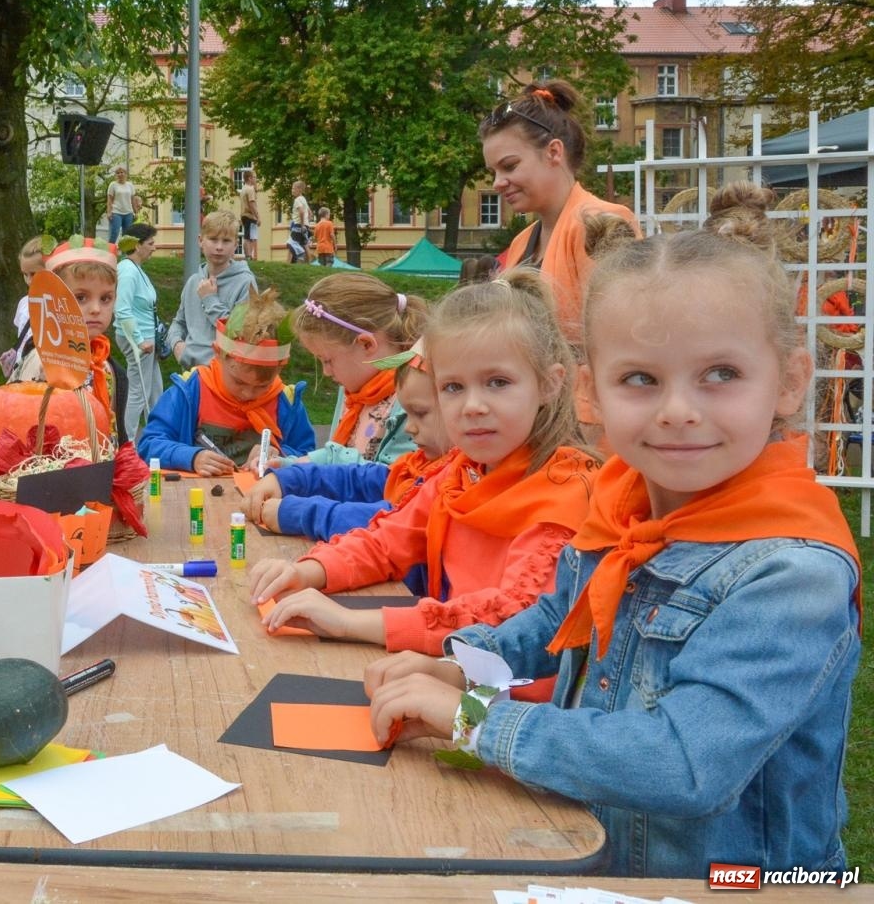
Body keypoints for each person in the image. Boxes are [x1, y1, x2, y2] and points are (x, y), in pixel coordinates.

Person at [365, 187, 861, 877]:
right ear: (592, 395)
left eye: (721, 374)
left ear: (788, 382)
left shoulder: (792, 573)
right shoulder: (621, 504)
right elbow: (556, 622)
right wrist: (459, 664)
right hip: (597, 858)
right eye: (640, 379)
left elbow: (686, 762)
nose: (679, 411)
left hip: (739, 890)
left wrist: (472, 719)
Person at [250, 271, 597, 660]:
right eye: (453, 387)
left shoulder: (565, 495)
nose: (473, 406)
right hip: (453, 672)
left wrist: (350, 624)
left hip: (504, 703)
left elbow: (508, 620)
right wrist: (306, 571)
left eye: (498, 382)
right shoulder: (460, 472)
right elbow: (388, 540)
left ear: (550, 385)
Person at [486, 80, 640, 348]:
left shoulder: (601, 223)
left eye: (509, 166)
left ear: (554, 152)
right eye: (493, 172)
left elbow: (625, 340)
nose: (497, 182)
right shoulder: (522, 241)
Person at [246, 345, 454, 542]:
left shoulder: (452, 483)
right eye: (408, 414)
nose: (409, 427)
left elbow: (394, 519)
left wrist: (300, 514)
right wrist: (288, 480)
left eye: (420, 413)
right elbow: (361, 480)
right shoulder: (419, 464)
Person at [137, 289, 315, 473]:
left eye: (262, 386)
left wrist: (282, 457)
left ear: (280, 369)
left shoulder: (286, 402)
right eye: (239, 382)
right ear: (218, 354)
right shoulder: (192, 390)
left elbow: (309, 457)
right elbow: (149, 445)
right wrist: (192, 457)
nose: (248, 393)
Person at [289, 273, 425, 467]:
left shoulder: (414, 396)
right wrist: (288, 465)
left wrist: (310, 467)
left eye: (327, 360)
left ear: (366, 344)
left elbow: (397, 477)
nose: (326, 372)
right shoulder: (356, 391)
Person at [9, 236, 123, 436]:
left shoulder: (105, 364)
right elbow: (24, 430)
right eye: (80, 298)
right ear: (55, 299)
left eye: (106, 298)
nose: (96, 309)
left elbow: (116, 433)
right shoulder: (45, 361)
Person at [167, 210, 258, 371]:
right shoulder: (193, 281)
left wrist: (210, 300)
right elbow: (179, 322)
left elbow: (241, 334)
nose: (219, 247)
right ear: (201, 241)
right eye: (213, 239)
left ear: (236, 244)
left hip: (225, 376)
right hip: (190, 373)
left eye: (226, 241)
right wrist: (176, 345)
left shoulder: (245, 283)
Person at [114, 223, 163, 439]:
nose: (154, 248)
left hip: (147, 340)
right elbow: (122, 310)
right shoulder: (127, 271)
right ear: (137, 245)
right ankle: (128, 443)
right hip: (138, 341)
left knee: (155, 391)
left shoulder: (136, 269)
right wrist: (139, 341)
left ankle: (155, 436)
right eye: (150, 244)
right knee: (138, 393)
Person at [1, 236, 46, 378]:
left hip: (41, 370)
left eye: (33, 274)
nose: (28, 280)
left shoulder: (60, 306)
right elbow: (22, 334)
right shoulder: (24, 303)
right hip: (21, 368)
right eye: (25, 275)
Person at [105, 166, 140, 245]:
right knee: (114, 233)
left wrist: (136, 212)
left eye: (122, 172)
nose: (120, 174)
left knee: (126, 236)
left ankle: (125, 255)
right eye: (118, 173)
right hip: (116, 212)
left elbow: (132, 199)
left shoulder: (130, 185)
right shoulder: (113, 185)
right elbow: (109, 200)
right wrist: (109, 212)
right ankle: (110, 252)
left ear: (125, 174)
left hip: (128, 213)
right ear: (116, 175)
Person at [288, 181, 314, 263]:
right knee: (305, 244)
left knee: (290, 243)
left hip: (298, 225)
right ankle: (309, 262)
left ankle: (292, 261)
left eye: (293, 188)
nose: (292, 190)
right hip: (305, 226)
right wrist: (307, 224)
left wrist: (302, 225)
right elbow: (310, 213)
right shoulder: (303, 199)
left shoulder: (297, 200)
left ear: (299, 189)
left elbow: (302, 212)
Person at [238, 174, 260, 257]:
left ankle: (248, 255)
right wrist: (258, 217)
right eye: (254, 177)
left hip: (244, 215)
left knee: (247, 235)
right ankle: (249, 256)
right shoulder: (250, 189)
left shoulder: (243, 188)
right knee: (250, 237)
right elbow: (252, 203)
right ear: (249, 178)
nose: (256, 180)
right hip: (250, 216)